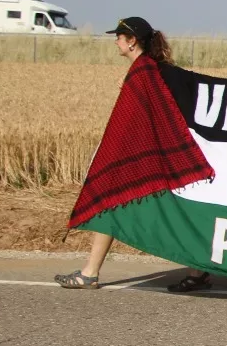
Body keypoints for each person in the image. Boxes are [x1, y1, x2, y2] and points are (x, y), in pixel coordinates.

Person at [56, 17, 183, 290]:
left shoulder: (143, 73)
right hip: (148, 156)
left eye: (119, 37)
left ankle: (90, 273)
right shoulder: (148, 69)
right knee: (120, 207)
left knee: (125, 205)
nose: (116, 41)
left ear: (131, 41)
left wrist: (109, 154)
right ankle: (90, 272)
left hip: (143, 158)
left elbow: (131, 123)